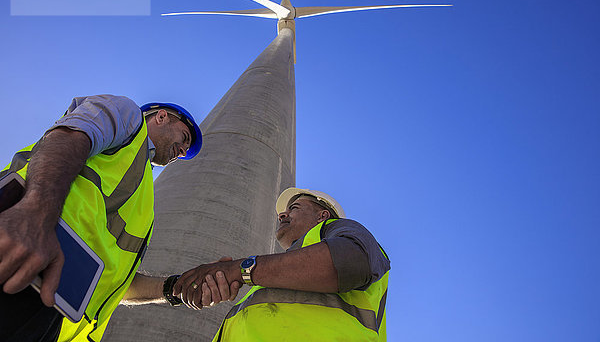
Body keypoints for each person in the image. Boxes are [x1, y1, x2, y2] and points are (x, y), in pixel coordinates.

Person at [0, 94, 204, 341]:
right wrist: (35, 213)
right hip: (20, 249)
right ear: (161, 117)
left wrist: (173, 289)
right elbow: (69, 137)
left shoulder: (143, 201)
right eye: (184, 138)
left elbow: (114, 283)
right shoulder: (129, 117)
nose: (182, 151)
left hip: (51, 311)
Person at [173, 187, 391, 341]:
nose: (282, 215)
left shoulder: (341, 230)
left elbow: (349, 262)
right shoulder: (276, 277)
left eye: (294, 207)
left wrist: (240, 270)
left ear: (322, 215)